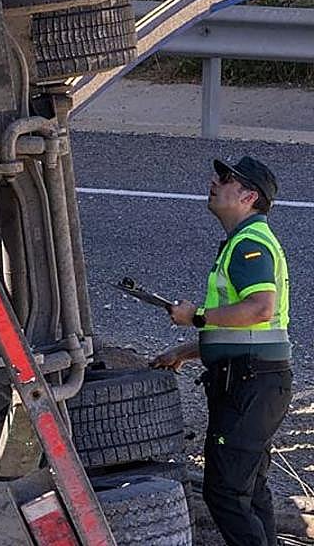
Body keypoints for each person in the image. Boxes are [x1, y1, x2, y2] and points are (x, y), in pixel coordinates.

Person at [153, 155, 292, 546]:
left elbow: (259, 309)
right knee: (250, 489)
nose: (215, 181)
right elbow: (250, 331)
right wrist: (186, 350)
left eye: (226, 178)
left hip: (252, 385)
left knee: (226, 493)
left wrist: (195, 316)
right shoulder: (244, 241)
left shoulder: (249, 244)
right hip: (255, 381)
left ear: (249, 196)